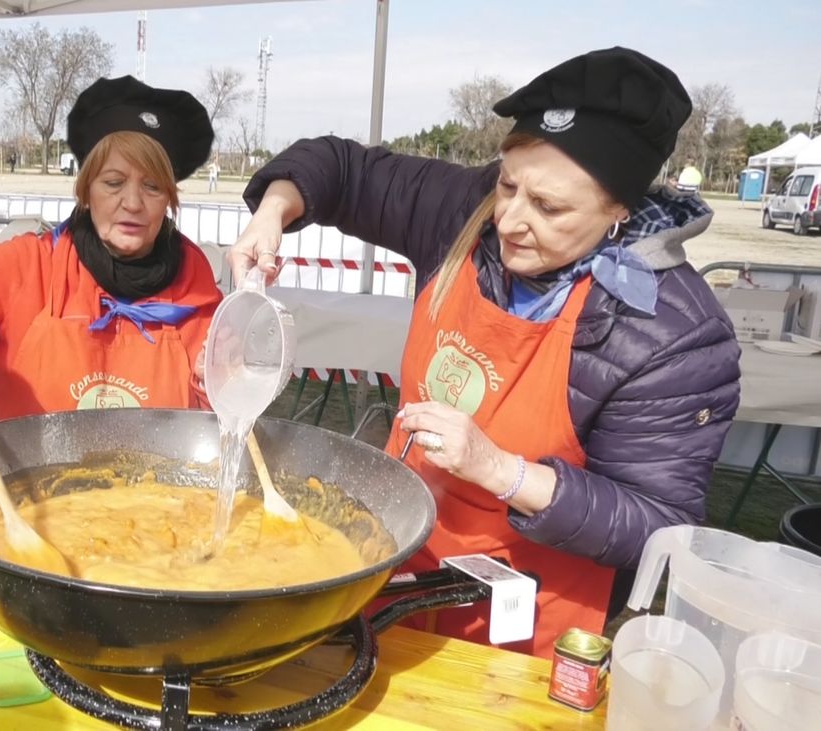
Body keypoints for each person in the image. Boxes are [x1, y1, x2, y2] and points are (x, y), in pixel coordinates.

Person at [230, 47, 741, 658]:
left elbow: (659, 525)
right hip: (388, 557)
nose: (509, 221)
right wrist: (273, 212)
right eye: (508, 184)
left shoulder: (673, 331)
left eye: (549, 207)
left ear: (620, 210)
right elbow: (340, 167)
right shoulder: (464, 209)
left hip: (523, 616)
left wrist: (503, 471)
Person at [0, 76, 222, 419]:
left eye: (153, 187)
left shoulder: (193, 284)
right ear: (86, 191)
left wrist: (217, 385)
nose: (132, 203)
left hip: (156, 469)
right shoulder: (29, 265)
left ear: (169, 199)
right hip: (24, 467)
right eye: (113, 183)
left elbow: (211, 419)